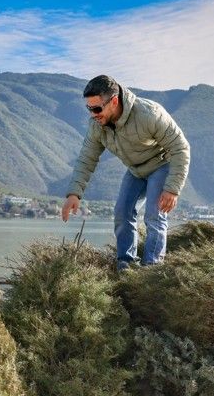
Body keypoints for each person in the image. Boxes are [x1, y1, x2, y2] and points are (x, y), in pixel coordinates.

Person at [61, 75, 190, 269]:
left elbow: (181, 147)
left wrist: (172, 189)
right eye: (89, 108)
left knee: (154, 216)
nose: (93, 114)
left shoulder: (149, 113)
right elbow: (86, 159)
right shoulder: (97, 126)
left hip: (161, 165)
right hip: (135, 171)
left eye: (97, 108)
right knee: (122, 212)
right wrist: (74, 194)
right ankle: (125, 264)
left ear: (113, 101)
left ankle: (151, 267)